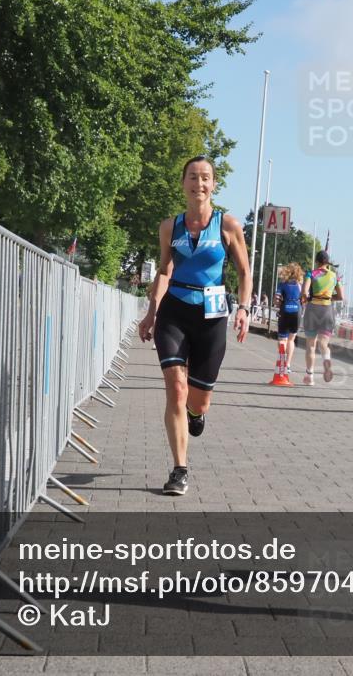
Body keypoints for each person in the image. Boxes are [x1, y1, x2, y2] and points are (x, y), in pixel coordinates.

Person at [137, 157, 252, 496]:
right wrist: (151, 311)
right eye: (192, 177)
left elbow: (244, 272)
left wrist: (243, 308)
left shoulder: (228, 225)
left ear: (213, 185)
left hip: (213, 316)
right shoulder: (169, 226)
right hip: (174, 312)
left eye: (205, 178)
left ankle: (196, 415)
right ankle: (179, 469)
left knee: (198, 402)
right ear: (183, 182)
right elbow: (163, 271)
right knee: (175, 388)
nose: (198, 184)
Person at [300, 250, 343, 385]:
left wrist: (307, 298)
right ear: (327, 262)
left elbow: (304, 292)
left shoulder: (311, 274)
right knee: (323, 344)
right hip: (327, 310)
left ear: (317, 261)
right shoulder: (335, 276)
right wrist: (330, 297)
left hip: (313, 309)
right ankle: (326, 359)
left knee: (310, 345)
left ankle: (310, 376)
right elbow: (341, 297)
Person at [274, 262, 305, 375]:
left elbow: (276, 300)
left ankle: (281, 363)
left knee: (282, 339)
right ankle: (287, 365)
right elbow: (304, 299)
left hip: (285, 311)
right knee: (291, 340)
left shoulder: (282, 284)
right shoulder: (300, 285)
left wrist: (279, 307)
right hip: (296, 312)